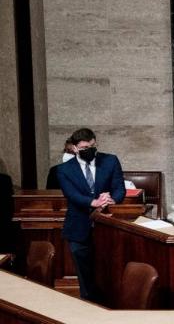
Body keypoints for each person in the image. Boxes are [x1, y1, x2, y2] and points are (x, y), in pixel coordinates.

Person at [56, 128, 125, 301]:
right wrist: (93, 202)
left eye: (93, 145)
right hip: (78, 226)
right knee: (84, 274)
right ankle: (89, 307)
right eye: (85, 147)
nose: (91, 150)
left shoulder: (110, 161)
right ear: (74, 148)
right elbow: (71, 194)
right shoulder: (64, 169)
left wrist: (111, 199)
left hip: (107, 226)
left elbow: (119, 188)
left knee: (109, 270)